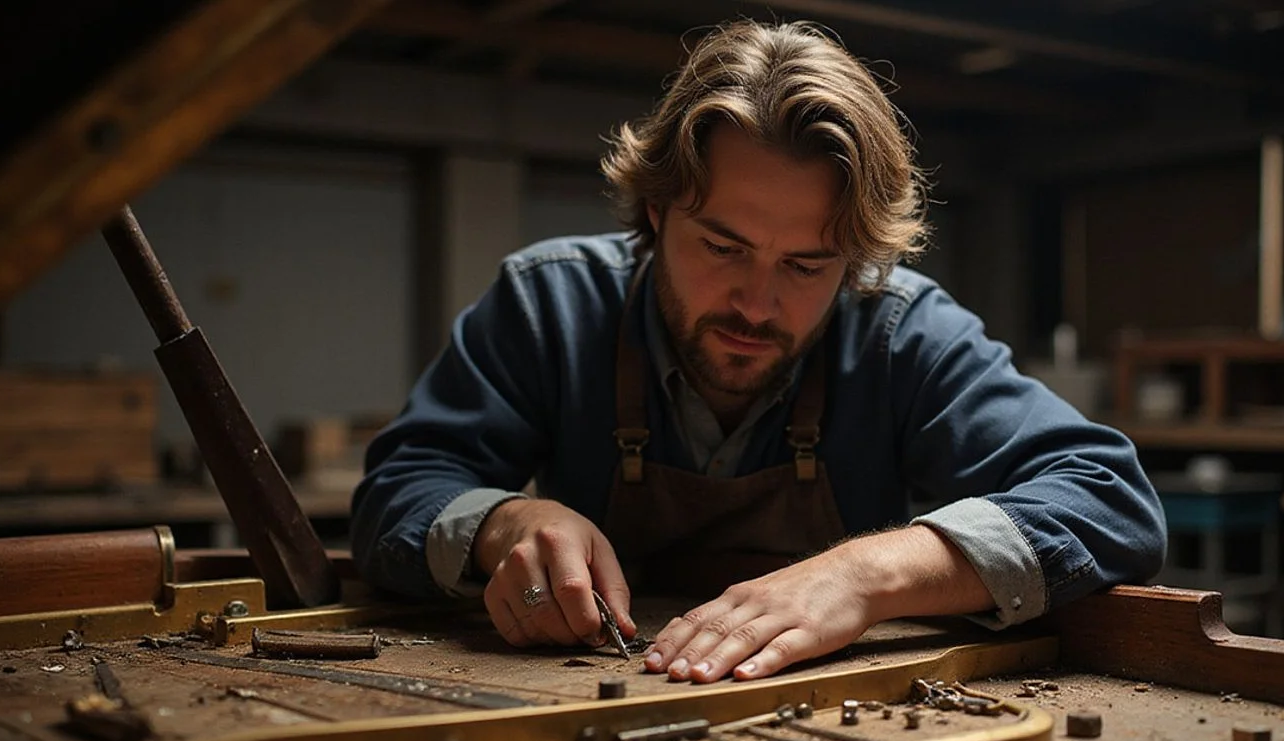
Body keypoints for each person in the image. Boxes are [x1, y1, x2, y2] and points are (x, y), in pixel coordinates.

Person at [351, 20, 1166, 684]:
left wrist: (864, 577)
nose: (757, 303)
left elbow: (1110, 499)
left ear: (856, 263)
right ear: (660, 209)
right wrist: (504, 522)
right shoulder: (548, 304)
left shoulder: (901, 332)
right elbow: (397, 492)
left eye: (807, 266)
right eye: (723, 246)